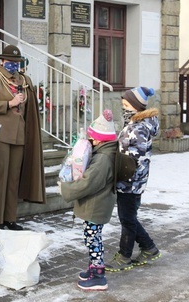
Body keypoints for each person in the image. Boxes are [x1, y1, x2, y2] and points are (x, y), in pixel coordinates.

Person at [0, 44, 46, 230]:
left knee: (13, 179)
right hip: (0, 135)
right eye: (10, 62)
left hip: (19, 136)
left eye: (17, 62)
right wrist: (9, 103)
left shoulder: (22, 80)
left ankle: (9, 218)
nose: (13, 66)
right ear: (2, 61)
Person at [60, 109, 118, 291]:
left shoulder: (102, 159)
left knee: (93, 238)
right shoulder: (103, 153)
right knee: (91, 236)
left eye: (93, 138)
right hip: (97, 203)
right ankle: (94, 267)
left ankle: (99, 275)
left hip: (97, 204)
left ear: (100, 139)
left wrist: (66, 188)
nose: (90, 141)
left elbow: (88, 183)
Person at [106, 86, 161, 272]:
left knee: (127, 219)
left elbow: (134, 158)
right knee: (129, 217)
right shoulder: (136, 124)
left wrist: (119, 172)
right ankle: (149, 248)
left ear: (137, 107)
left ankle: (124, 256)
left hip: (130, 182)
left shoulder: (138, 128)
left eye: (127, 104)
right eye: (123, 104)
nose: (124, 107)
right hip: (131, 181)